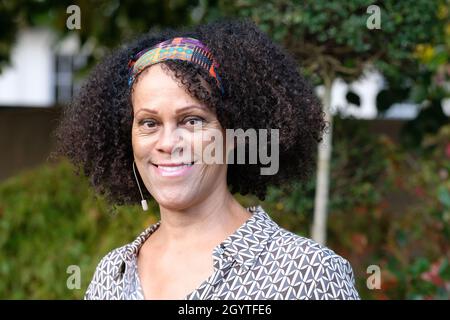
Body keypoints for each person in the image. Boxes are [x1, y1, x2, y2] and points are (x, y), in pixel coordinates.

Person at [55, 19, 360, 300]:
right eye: (149, 123)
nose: (167, 143)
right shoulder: (112, 275)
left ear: (233, 133)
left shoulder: (309, 275)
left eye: (192, 120)